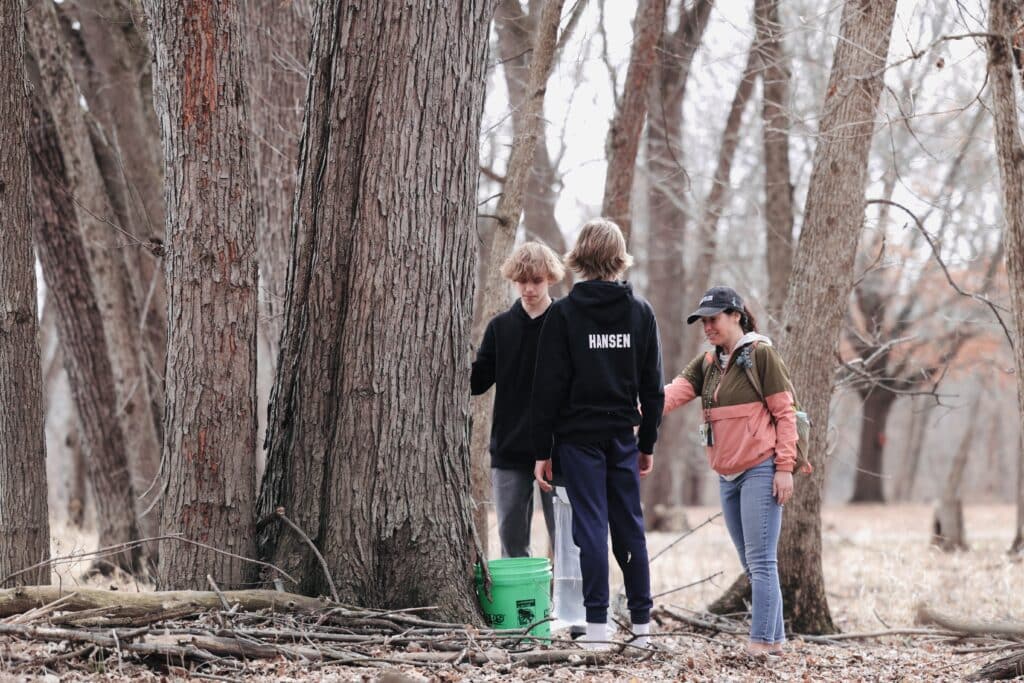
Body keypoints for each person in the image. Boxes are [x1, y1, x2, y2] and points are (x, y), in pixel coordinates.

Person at [531, 218, 664, 650]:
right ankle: (642, 627)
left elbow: (547, 390)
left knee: (590, 528)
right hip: (622, 437)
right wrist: (646, 445)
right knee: (630, 526)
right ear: (619, 257)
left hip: (577, 438)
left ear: (580, 257)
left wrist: (542, 449)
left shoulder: (563, 315)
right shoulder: (640, 312)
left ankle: (597, 629)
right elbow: (653, 389)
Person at [662, 285, 797, 656]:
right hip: (727, 476)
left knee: (761, 562)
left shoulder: (762, 355)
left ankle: (759, 645)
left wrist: (783, 468)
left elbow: (785, 415)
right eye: (703, 321)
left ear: (736, 315)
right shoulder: (707, 364)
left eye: (714, 319)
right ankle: (777, 642)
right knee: (752, 565)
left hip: (760, 470)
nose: (708, 327)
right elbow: (672, 393)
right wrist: (630, 412)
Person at [471, 242, 564, 558]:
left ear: (549, 278)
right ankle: (523, 607)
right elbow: (476, 382)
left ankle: (566, 606)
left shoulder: (566, 322)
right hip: (510, 448)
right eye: (521, 281)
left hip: (559, 450)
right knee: (511, 539)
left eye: (535, 281)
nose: (528, 289)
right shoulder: (500, 328)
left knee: (566, 538)